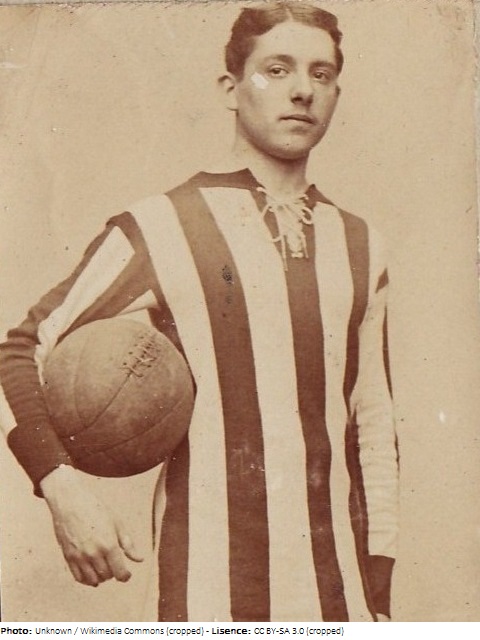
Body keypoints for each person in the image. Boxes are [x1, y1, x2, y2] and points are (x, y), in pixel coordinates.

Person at [0, 2, 399, 622]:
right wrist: (61, 487)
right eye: (277, 69)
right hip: (204, 593)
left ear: (335, 94)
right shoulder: (164, 225)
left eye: (320, 74)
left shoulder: (361, 243)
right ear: (231, 88)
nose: (302, 90)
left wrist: (380, 595)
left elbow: (371, 423)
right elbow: (23, 348)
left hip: (336, 594)